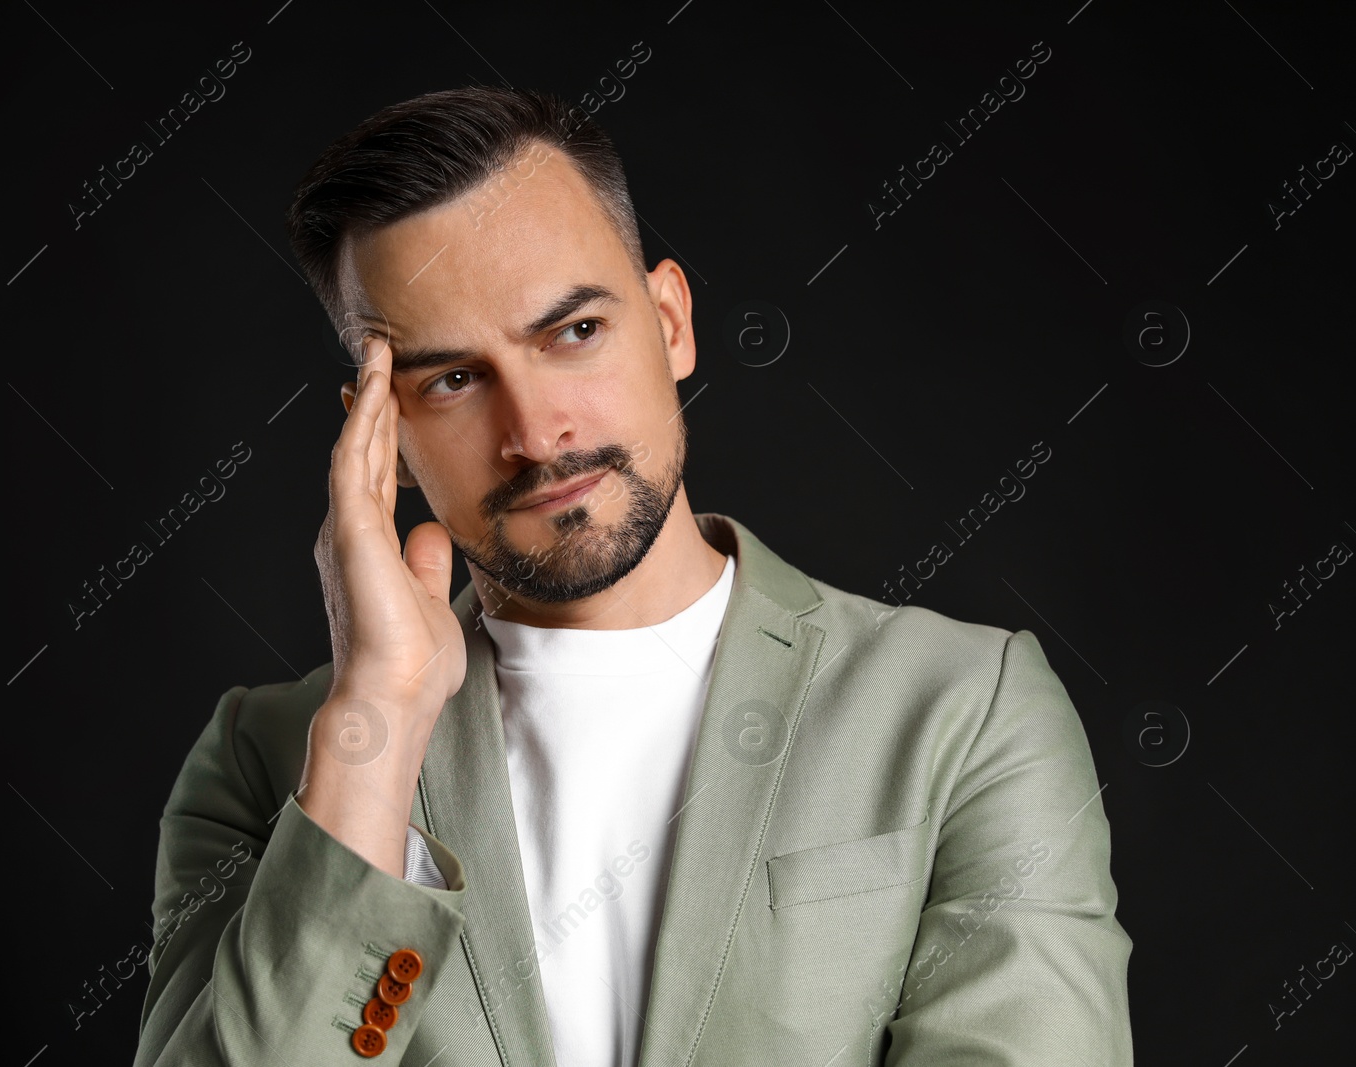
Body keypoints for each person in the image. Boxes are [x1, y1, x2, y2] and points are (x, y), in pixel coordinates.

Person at [132, 86, 1133, 1066]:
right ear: (378, 435)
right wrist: (378, 732)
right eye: (451, 379)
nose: (535, 434)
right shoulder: (268, 763)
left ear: (669, 321)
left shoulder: (964, 708)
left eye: (573, 332)